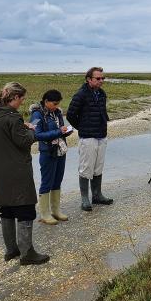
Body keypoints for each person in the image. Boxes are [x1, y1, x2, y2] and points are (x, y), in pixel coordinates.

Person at [0, 82, 49, 265]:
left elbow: (4, 137)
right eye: (22, 99)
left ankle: (11, 249)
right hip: (16, 170)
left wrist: (22, 127)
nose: (22, 102)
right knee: (26, 208)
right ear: (14, 98)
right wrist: (31, 130)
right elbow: (23, 142)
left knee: (6, 208)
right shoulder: (12, 118)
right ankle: (27, 253)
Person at [67, 67, 113, 211]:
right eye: (98, 78)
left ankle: (97, 195)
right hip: (88, 137)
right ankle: (85, 199)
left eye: (102, 78)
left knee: (98, 166)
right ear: (89, 79)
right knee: (86, 168)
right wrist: (82, 127)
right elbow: (70, 115)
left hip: (101, 134)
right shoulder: (81, 95)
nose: (101, 81)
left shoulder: (101, 93)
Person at [30, 90, 72, 225]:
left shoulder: (57, 112)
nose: (56, 106)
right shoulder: (37, 114)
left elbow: (61, 129)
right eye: (54, 103)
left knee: (57, 180)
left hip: (60, 150)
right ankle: (44, 213)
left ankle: (56, 210)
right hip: (47, 152)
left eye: (58, 103)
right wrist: (58, 132)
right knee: (47, 182)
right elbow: (37, 135)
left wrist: (66, 132)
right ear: (46, 101)